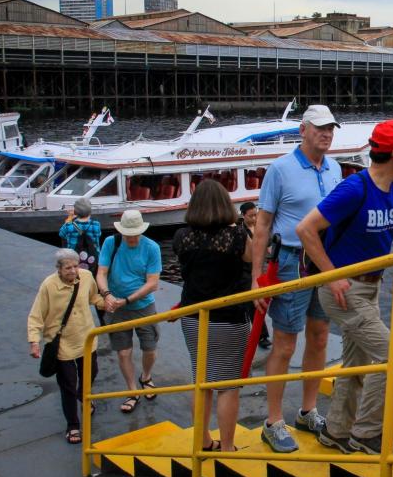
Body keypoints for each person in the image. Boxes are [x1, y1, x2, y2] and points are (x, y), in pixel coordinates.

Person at [297, 120, 393, 455]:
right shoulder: (355, 189)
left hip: (370, 287)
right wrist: (331, 276)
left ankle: (336, 431)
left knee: (356, 363)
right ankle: (367, 432)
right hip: (344, 289)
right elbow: (305, 229)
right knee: (390, 355)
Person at [251, 105, 342, 453]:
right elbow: (262, 225)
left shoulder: (334, 168)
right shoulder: (280, 169)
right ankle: (273, 421)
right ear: (303, 130)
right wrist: (257, 277)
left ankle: (308, 411)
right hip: (290, 259)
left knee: (319, 336)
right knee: (285, 342)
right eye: (320, 128)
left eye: (330, 128)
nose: (326, 134)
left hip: (323, 258)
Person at [174, 180, 254, 452]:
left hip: (192, 315)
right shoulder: (237, 236)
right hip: (229, 317)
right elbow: (253, 258)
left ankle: (204, 441)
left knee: (202, 381)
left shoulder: (182, 236)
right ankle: (227, 446)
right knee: (228, 386)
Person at [28, 248, 104, 444]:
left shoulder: (86, 276)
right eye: (68, 268)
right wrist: (34, 341)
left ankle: (84, 396)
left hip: (86, 338)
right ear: (59, 269)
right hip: (63, 344)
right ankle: (72, 425)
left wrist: (105, 303)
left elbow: (93, 297)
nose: (73, 271)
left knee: (91, 374)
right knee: (68, 385)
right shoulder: (49, 285)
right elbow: (36, 315)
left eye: (75, 266)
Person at [96, 209, 162, 414]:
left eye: (135, 234)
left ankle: (146, 376)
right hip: (117, 307)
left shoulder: (152, 247)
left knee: (149, 349)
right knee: (123, 351)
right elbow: (101, 272)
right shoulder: (111, 243)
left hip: (143, 306)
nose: (132, 238)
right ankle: (132, 390)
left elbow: (152, 283)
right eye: (128, 234)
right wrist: (107, 295)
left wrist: (127, 300)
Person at [239, 201, 271, 350]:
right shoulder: (240, 232)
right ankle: (262, 336)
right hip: (245, 271)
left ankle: (260, 334)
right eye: (251, 216)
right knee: (253, 303)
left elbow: (269, 247)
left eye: (255, 215)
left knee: (257, 301)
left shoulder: (260, 228)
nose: (254, 218)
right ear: (243, 216)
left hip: (259, 269)